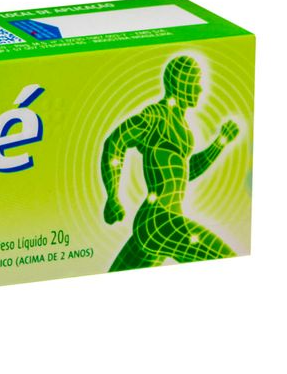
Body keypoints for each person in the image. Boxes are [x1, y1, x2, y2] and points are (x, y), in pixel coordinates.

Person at [101, 56, 239, 271]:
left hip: (162, 222)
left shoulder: (183, 127)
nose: (199, 89)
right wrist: (113, 196)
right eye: (194, 81)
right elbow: (116, 141)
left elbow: (187, 171)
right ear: (179, 83)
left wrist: (220, 143)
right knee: (224, 259)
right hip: (160, 220)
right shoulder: (157, 116)